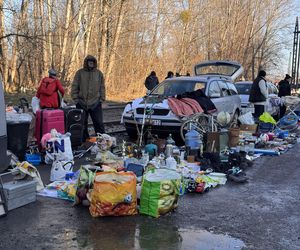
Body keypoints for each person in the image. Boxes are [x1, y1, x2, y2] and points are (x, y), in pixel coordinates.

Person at [71, 55, 106, 140]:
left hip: (95, 103)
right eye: (89, 62)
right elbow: (75, 86)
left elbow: (102, 87)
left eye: (92, 62)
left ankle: (102, 142)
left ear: (94, 63)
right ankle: (84, 142)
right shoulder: (79, 73)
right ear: (86, 63)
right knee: (82, 124)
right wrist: (76, 99)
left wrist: (101, 99)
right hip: (81, 103)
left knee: (99, 123)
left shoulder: (99, 73)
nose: (91, 63)